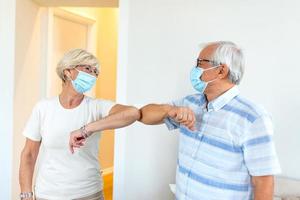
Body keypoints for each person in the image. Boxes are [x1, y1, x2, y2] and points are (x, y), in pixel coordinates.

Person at [139, 41, 281, 200]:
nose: (195, 69)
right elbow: (144, 115)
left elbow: (264, 182)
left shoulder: (253, 118)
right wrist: (169, 110)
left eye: (200, 63)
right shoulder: (189, 103)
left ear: (221, 70)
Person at [19, 49, 141, 200]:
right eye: (87, 68)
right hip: (47, 193)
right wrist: (26, 194)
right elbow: (29, 154)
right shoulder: (43, 108)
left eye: (95, 71)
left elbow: (133, 113)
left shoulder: (96, 106)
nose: (92, 75)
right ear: (68, 71)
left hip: (88, 193)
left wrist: (87, 129)